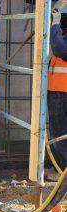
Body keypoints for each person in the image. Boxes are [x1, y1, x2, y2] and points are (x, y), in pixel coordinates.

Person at [46, 2, 67, 181]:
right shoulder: (63, 35)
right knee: (60, 131)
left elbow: (60, 50)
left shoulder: (61, 37)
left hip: (62, 92)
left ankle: (63, 171)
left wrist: (54, 26)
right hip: (58, 91)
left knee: (59, 132)